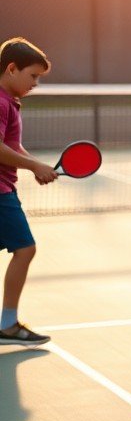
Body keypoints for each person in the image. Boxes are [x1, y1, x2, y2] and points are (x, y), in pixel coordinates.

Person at [0, 38, 59, 347]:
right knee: (25, 248)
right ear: (12, 69)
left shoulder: (9, 101)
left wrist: (35, 165)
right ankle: (8, 325)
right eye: (33, 75)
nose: (35, 83)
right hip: (0, 194)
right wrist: (34, 166)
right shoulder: (0, 102)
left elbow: (12, 146)